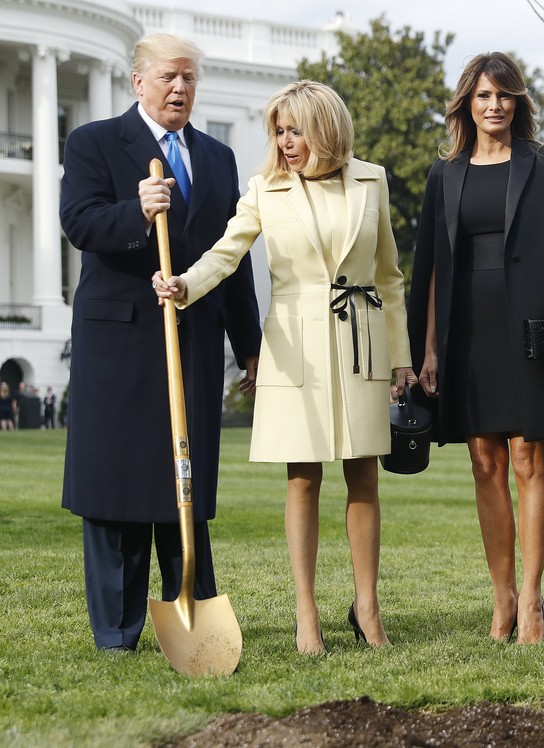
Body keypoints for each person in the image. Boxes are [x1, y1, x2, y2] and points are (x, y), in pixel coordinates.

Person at [154, 80, 415, 654]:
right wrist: (183, 286)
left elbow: (390, 275)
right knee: (302, 478)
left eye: (296, 129)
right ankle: (306, 614)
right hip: (294, 347)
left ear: (326, 129)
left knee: (364, 474)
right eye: (279, 130)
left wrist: (401, 358)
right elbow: (226, 253)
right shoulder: (265, 188)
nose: (286, 141)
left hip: (361, 343)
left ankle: (367, 608)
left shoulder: (371, 180)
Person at [60, 33, 262, 653]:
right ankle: (118, 630)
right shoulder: (93, 141)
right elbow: (78, 221)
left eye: (190, 79)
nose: (181, 89)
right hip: (120, 344)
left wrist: (249, 345)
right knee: (120, 483)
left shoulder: (219, 157)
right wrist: (134, 211)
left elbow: (233, 260)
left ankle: (194, 605)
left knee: (186, 478)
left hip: (194, 340)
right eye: (170, 77)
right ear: (138, 82)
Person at [407, 52, 544, 645]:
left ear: (517, 103)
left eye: (504, 96)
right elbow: (430, 270)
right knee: (484, 463)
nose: (493, 106)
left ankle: (532, 603)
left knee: (528, 460)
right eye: (482, 96)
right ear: (466, 105)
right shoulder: (444, 174)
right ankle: (502, 598)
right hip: (466, 329)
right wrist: (429, 351)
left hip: (529, 324)